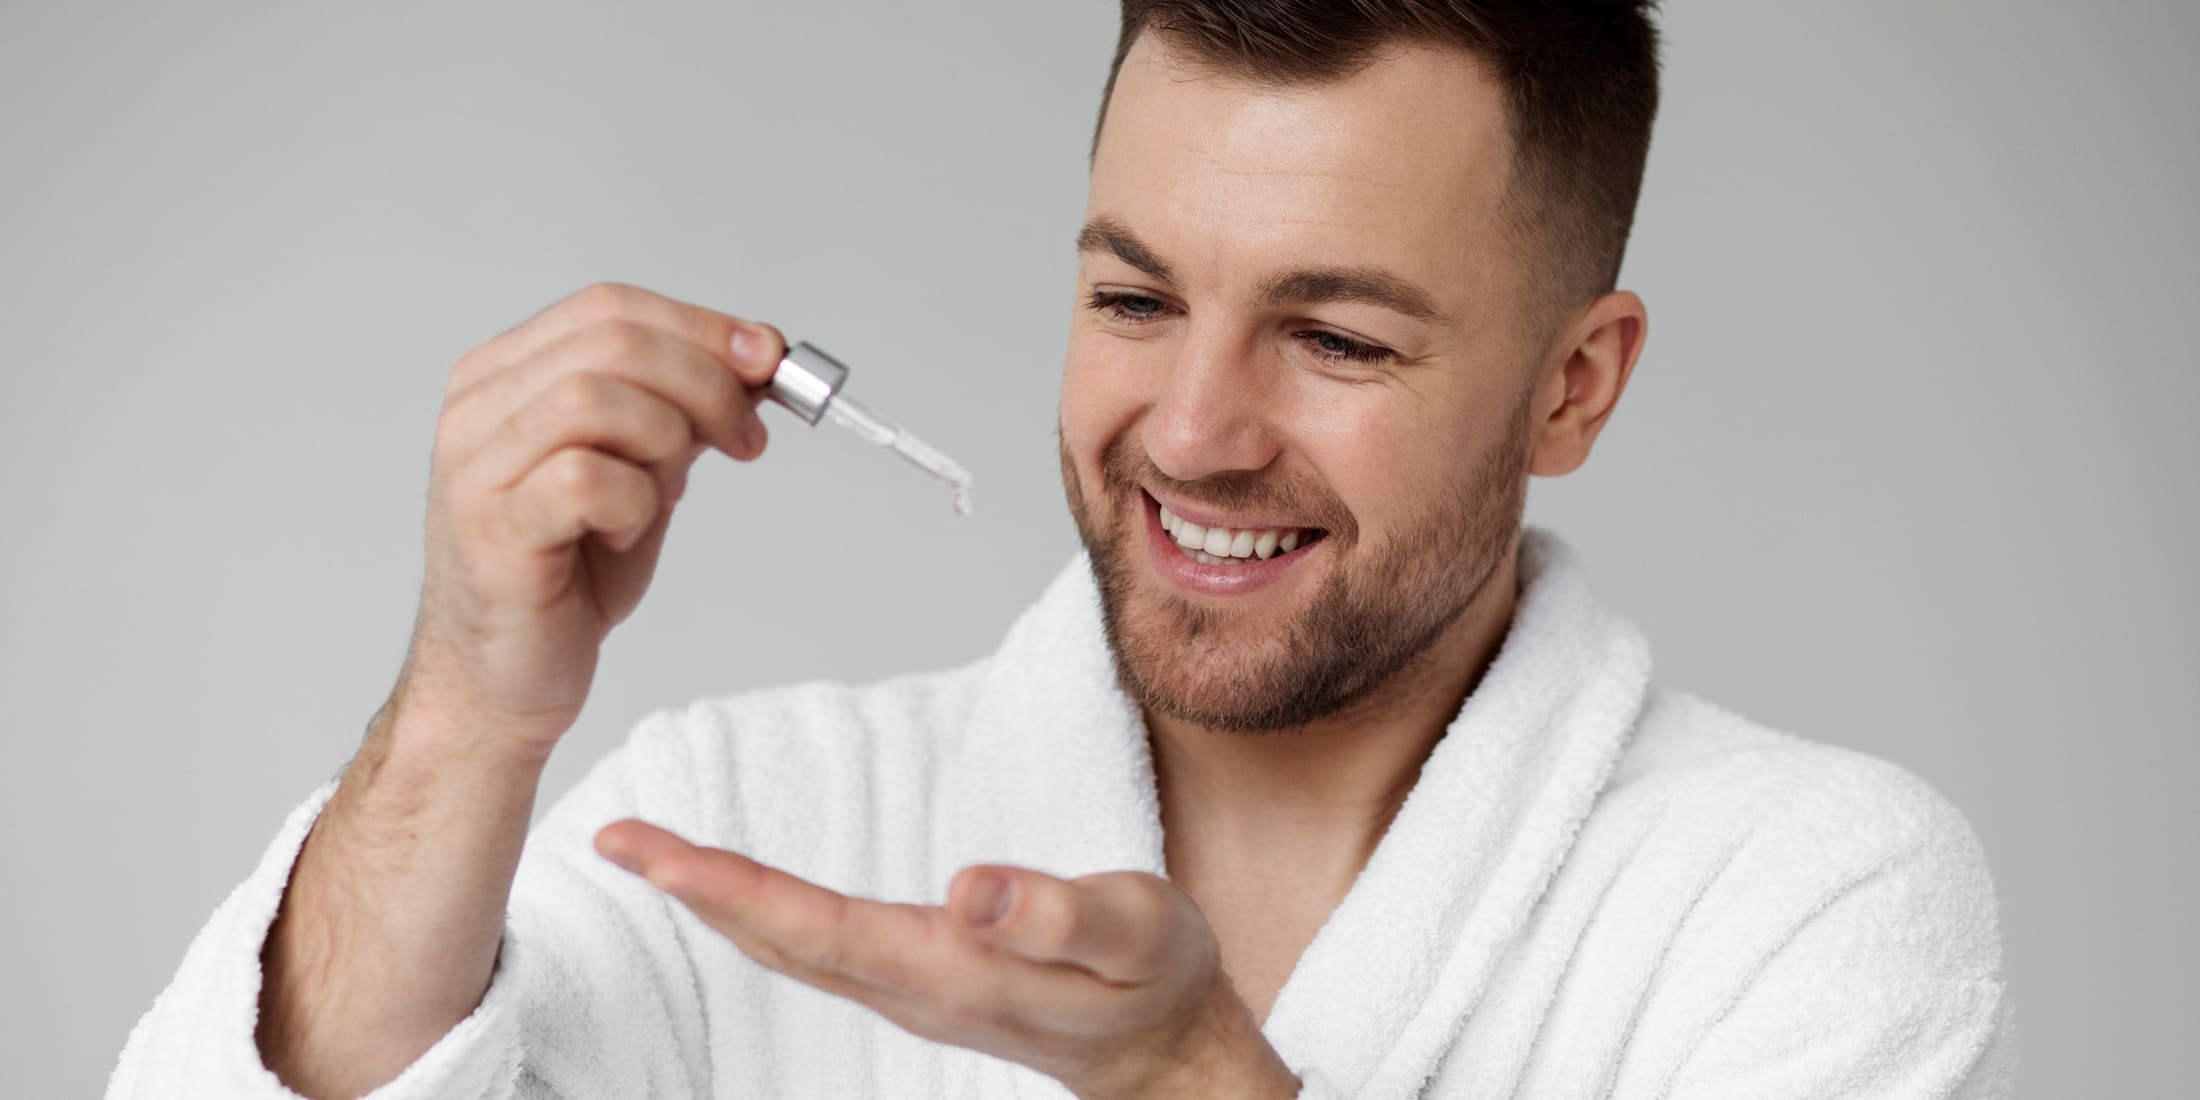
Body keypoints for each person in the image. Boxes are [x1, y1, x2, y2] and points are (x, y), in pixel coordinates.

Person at [107, 2, 2017, 1097]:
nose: (1189, 431)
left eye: (1337, 336)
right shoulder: (748, 814)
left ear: (1573, 389)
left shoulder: (1797, 902)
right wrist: (463, 711)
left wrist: (1195, 1077)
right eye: (1130, 298)